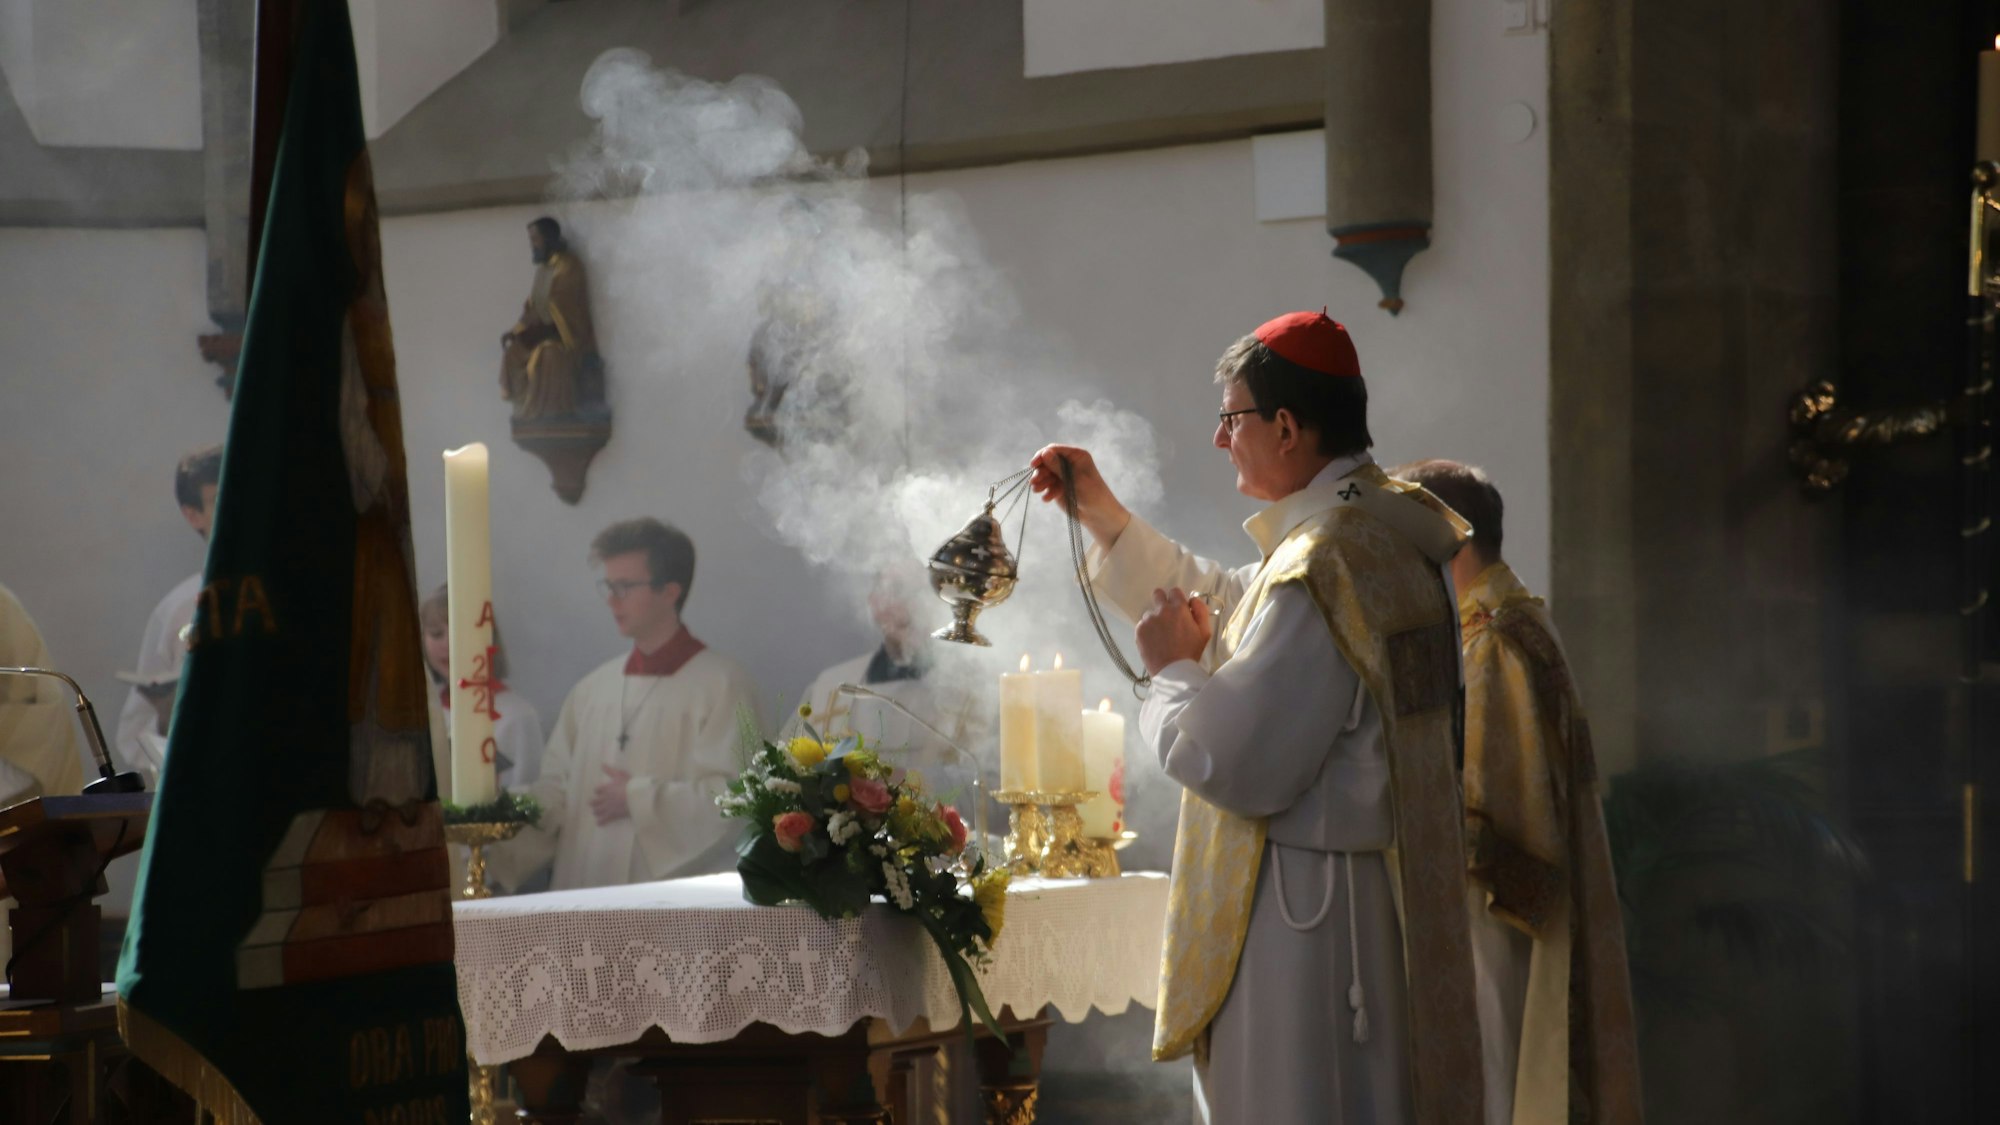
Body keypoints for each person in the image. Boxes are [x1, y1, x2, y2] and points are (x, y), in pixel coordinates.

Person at [1029, 310, 1484, 1124]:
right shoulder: (1376, 531)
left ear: (1283, 426)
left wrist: (1170, 671)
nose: (1218, 439)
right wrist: (1102, 515)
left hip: (1303, 924)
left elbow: (1234, 760)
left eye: (1229, 417)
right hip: (1358, 904)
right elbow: (1234, 603)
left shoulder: (1324, 562)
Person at [1389, 460, 1644, 1125]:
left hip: (1490, 921)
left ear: (1446, 539)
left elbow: (1492, 817)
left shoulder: (1494, 638)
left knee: (1494, 1087)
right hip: (1493, 916)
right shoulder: (1507, 615)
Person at [501, 519, 756, 891]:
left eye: (625, 586)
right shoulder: (593, 689)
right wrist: (502, 811)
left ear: (670, 591)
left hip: (677, 904)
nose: (611, 599)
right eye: (608, 585)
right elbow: (557, 789)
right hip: (585, 886)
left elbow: (737, 802)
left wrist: (639, 798)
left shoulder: (724, 686)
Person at [793, 571, 981, 797]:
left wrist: (908, 784)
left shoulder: (977, 689)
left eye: (923, 591)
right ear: (873, 602)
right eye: (897, 590)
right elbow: (788, 775)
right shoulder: (831, 684)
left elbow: (996, 788)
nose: (911, 607)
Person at [114, 444, 220, 785]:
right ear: (193, 515)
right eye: (221, 500)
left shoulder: (294, 589)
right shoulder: (177, 610)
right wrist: (164, 718)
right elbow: (134, 739)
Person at [419, 584, 546, 791]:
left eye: (460, 632)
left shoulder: (518, 716)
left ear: (488, 636)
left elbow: (529, 798)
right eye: (436, 634)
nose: (449, 644)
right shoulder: (424, 710)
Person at [500, 216, 604, 420]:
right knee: (513, 352)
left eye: (536, 239)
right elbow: (533, 308)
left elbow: (565, 307)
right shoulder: (543, 271)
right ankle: (525, 412)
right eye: (531, 240)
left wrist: (544, 329)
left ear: (549, 238)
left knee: (548, 355)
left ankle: (552, 414)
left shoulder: (568, 266)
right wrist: (517, 331)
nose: (533, 245)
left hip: (566, 338)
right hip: (542, 334)